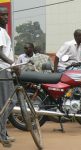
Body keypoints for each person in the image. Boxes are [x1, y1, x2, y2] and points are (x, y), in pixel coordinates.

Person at [0, 6, 19, 147]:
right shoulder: (0, 32)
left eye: (7, 15)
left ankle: (3, 131)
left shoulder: (3, 31)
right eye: (3, 15)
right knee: (5, 103)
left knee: (12, 101)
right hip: (3, 70)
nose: (6, 17)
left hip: (6, 69)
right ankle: (2, 134)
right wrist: (13, 64)